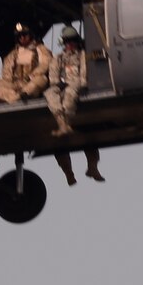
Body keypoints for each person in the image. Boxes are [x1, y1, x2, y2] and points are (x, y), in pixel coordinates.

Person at [48, 25, 104, 184]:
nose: (69, 45)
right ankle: (69, 173)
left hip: (77, 88)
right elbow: (53, 78)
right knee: (50, 94)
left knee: (71, 95)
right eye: (67, 42)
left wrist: (73, 86)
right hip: (61, 88)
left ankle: (92, 167)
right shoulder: (57, 59)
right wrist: (58, 86)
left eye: (72, 42)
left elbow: (84, 77)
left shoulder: (82, 57)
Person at [0, 22, 52, 104]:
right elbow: (6, 72)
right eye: (19, 36)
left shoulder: (40, 49)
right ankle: (14, 97)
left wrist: (33, 75)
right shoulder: (13, 54)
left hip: (31, 82)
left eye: (24, 35)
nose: (22, 38)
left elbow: (45, 64)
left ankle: (20, 95)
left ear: (30, 35)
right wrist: (10, 83)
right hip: (16, 85)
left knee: (41, 80)